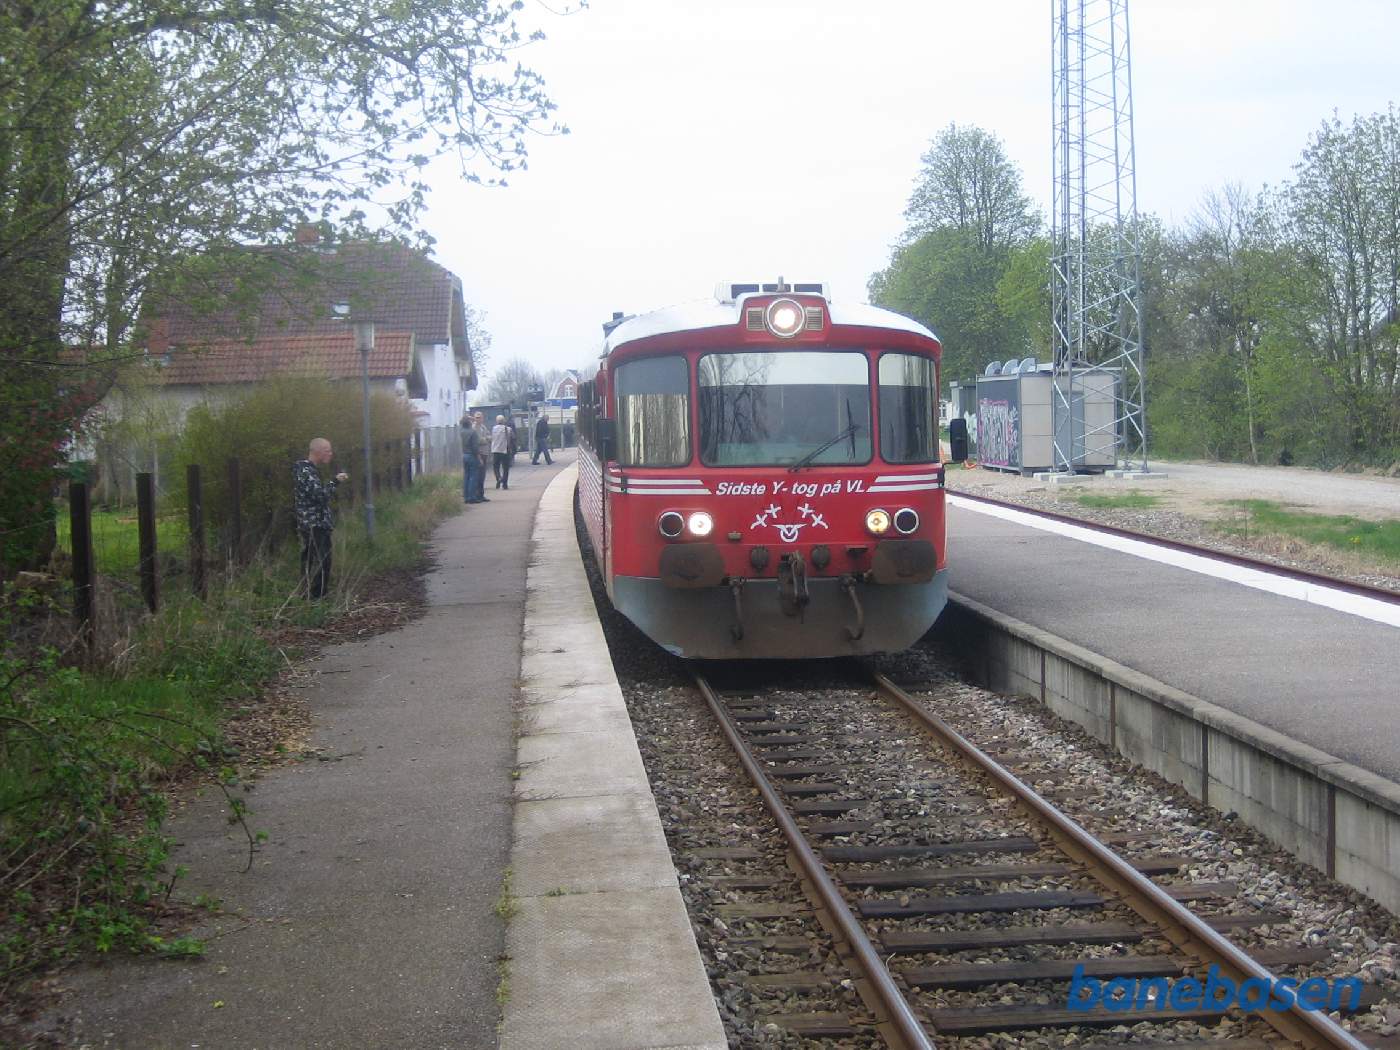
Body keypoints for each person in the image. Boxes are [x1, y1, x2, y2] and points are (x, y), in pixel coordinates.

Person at [292, 438, 348, 599]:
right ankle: (317, 597)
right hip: (313, 524)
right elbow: (320, 496)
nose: (330, 454)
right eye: (327, 450)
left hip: (316, 523)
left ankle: (308, 594)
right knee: (321, 561)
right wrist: (335, 481)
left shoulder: (310, 470)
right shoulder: (305, 471)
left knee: (312, 559)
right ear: (317, 451)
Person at [461, 410, 485, 503]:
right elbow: (475, 447)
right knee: (473, 477)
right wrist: (479, 458)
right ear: (469, 423)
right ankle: (472, 497)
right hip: (472, 455)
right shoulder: (472, 432)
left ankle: (466, 496)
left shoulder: (462, 431)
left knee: (466, 476)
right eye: (471, 420)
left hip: (464, 455)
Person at [472, 412, 491, 502]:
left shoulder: (483, 427)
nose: (478, 419)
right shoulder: (474, 428)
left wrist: (487, 439)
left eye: (480, 417)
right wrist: (486, 439)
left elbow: (489, 436)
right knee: (478, 475)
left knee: (482, 475)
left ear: (482, 418)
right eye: (477, 417)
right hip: (479, 453)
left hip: (485, 452)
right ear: (474, 418)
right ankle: (477, 495)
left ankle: (481, 494)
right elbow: (479, 440)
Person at [491, 414, 512, 489]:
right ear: (504, 421)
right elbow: (511, 438)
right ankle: (505, 484)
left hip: (495, 450)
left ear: (497, 421)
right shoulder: (508, 429)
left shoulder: (493, 429)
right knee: (505, 468)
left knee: (495, 466)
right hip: (504, 451)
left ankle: (499, 478)